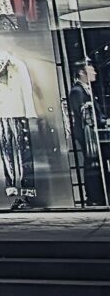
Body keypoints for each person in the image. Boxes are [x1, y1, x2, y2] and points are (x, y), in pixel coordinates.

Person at [68, 57, 104, 208]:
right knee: (92, 164)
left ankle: (98, 194)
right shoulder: (77, 91)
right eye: (91, 69)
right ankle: (94, 196)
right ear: (82, 72)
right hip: (87, 135)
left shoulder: (85, 89)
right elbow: (85, 115)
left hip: (91, 133)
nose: (95, 72)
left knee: (95, 164)